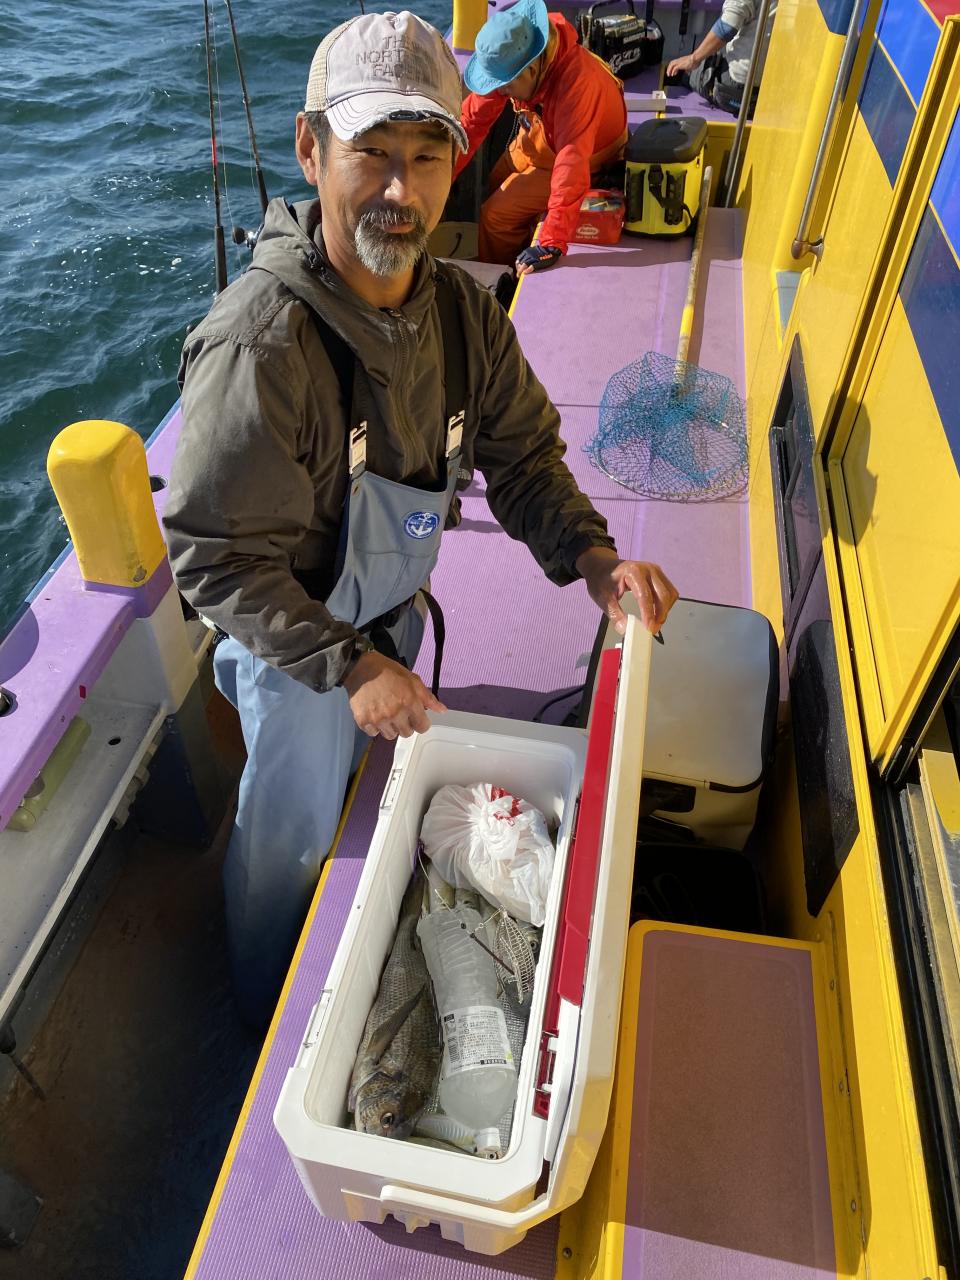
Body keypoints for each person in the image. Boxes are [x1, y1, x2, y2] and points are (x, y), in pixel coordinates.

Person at [163, 10, 677, 1027]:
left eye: (428, 155)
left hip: (390, 615)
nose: (402, 190)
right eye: (373, 153)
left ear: (456, 162)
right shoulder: (259, 350)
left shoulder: (464, 315)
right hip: (297, 647)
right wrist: (351, 667)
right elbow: (217, 561)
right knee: (289, 840)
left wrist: (593, 556)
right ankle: (261, 1006)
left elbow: (524, 457)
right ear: (311, 151)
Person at [455, 0, 628, 273]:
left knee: (496, 216)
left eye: (505, 87)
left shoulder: (579, 85)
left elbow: (571, 163)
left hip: (585, 158)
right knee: (497, 180)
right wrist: (439, 176)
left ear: (532, 71)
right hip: (539, 139)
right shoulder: (512, 60)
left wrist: (551, 241)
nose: (500, 93)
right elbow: (470, 123)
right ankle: (513, 248)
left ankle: (502, 279)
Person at [665, 0, 777, 117]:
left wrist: (693, 59)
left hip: (739, 88)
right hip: (772, 89)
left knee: (683, 74)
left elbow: (728, 27)